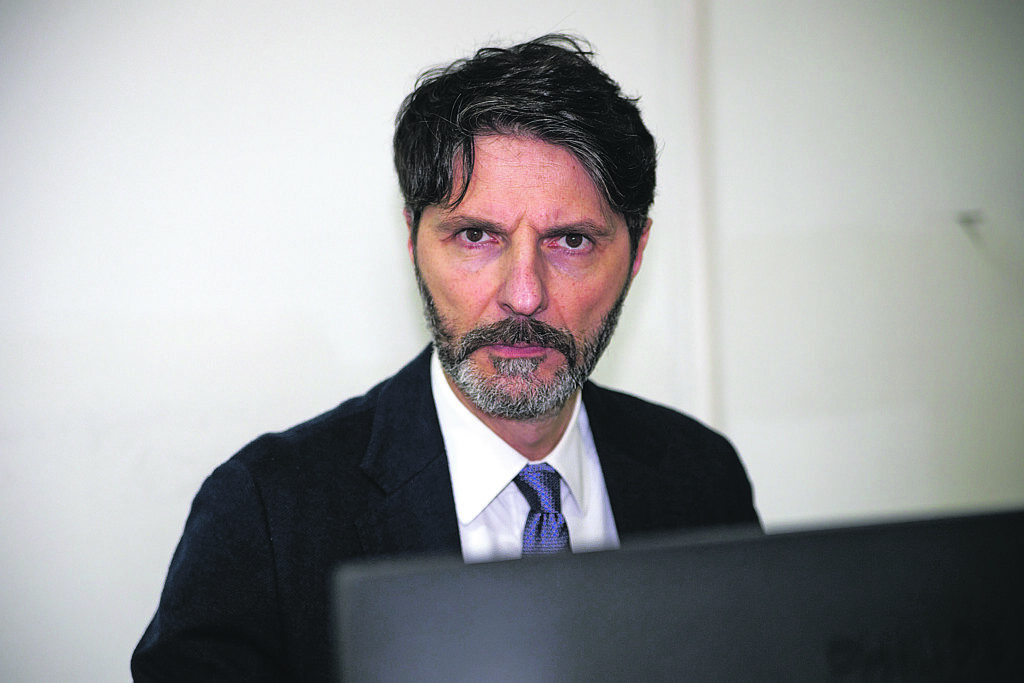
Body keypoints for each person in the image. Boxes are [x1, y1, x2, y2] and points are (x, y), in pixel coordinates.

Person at [131, 34, 759, 682]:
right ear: (413, 238)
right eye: (476, 235)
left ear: (637, 251)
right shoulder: (267, 510)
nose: (524, 294)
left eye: (571, 241)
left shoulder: (703, 479)